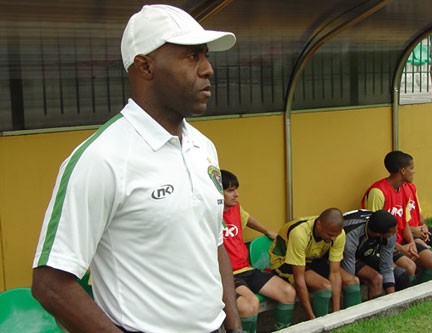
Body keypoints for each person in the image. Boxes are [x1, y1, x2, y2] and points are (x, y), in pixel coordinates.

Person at [31, 5, 243, 333]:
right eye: (191, 57)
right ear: (145, 66)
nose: (207, 70)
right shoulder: (101, 158)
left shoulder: (203, 147)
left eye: (205, 55)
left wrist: (233, 325)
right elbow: (50, 284)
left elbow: (213, 245)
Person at [221, 170, 296, 332]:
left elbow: (247, 219)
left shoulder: (235, 208)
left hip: (247, 269)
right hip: (227, 275)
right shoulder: (208, 214)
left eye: (236, 189)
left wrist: (267, 231)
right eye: (230, 190)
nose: (236, 194)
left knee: (288, 292)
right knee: (249, 305)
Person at [362, 151, 432, 284]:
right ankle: (407, 296)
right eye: (412, 168)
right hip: (384, 245)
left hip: (402, 240)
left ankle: (422, 295)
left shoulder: (404, 189)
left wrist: (411, 243)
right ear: (403, 171)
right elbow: (373, 229)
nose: (414, 171)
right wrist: (401, 248)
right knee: (409, 268)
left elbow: (404, 222)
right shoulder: (378, 192)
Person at [269, 208, 361, 320]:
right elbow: (299, 279)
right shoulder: (300, 233)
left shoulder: (338, 235)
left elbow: (335, 273)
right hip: (284, 261)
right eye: (330, 234)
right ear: (319, 225)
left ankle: (351, 323)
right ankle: (321, 324)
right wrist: (312, 320)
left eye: (335, 235)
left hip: (313, 259)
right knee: (325, 287)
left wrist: (337, 315)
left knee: (352, 282)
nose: (333, 238)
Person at [342, 209, 411, 300]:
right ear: (379, 234)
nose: (396, 233)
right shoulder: (351, 236)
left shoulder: (388, 233)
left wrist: (392, 299)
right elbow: (349, 273)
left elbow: (386, 266)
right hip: (342, 256)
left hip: (364, 253)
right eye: (393, 232)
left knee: (400, 274)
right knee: (376, 278)